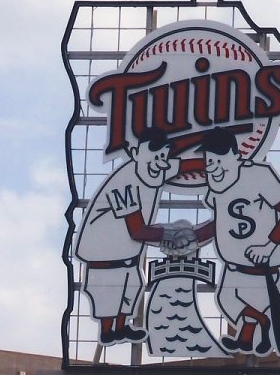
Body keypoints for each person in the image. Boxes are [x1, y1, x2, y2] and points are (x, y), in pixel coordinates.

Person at [74, 128, 199, 346]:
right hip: (103, 256)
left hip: (127, 255)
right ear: (135, 153)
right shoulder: (124, 182)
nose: (159, 161)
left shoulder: (156, 168)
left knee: (132, 287)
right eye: (154, 155)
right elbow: (137, 231)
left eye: (163, 156)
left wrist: (226, 163)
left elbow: (188, 165)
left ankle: (121, 327)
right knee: (108, 298)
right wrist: (171, 233)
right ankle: (108, 331)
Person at [194, 126, 280, 355]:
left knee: (239, 300)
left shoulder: (259, 175)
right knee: (228, 300)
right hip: (233, 265)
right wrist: (193, 237)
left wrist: (269, 246)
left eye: (219, 160)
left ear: (236, 156)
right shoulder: (216, 185)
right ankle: (250, 336)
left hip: (261, 266)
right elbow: (220, 223)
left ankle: (259, 327)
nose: (214, 167)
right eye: (209, 161)